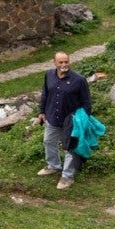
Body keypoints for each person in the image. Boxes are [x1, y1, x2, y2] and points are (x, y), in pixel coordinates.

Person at [37, 51, 93, 190]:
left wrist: (84, 120)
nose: (64, 65)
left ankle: (67, 176)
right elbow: (45, 94)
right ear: (54, 63)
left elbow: (86, 102)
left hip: (71, 121)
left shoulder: (79, 80)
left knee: (70, 148)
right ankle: (53, 166)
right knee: (48, 141)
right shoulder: (49, 75)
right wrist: (42, 111)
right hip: (51, 117)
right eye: (61, 62)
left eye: (66, 62)